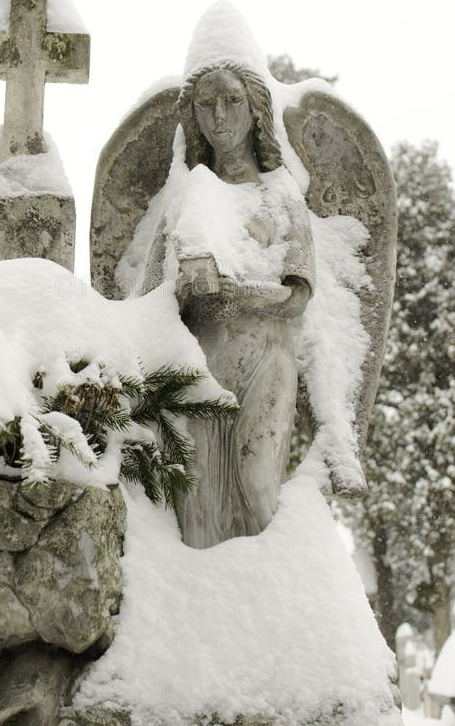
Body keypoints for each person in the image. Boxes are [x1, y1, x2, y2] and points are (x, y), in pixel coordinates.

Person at [162, 60, 316, 548]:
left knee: (257, 482)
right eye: (206, 105)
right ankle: (204, 591)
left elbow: (298, 295)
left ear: (255, 110)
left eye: (231, 101)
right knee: (195, 503)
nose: (219, 116)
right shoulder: (187, 197)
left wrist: (243, 293)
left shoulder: (280, 195)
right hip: (200, 361)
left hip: (265, 356)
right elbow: (154, 297)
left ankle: (271, 583)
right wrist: (187, 290)